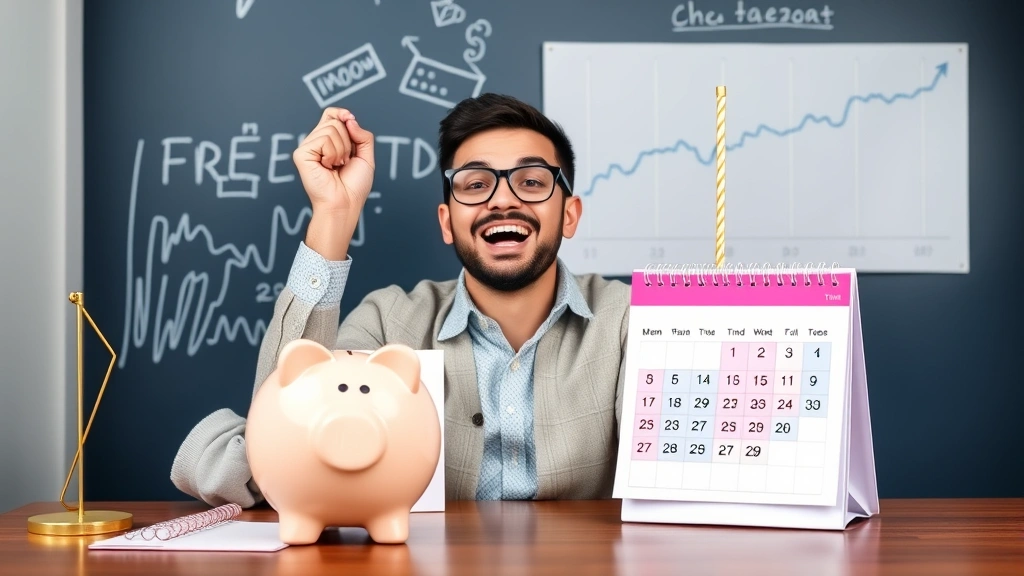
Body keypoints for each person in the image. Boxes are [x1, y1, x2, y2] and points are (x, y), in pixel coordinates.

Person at [170, 93, 630, 507]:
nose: (502, 200)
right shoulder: (389, 322)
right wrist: (334, 215)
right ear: (447, 222)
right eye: (475, 184)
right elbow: (281, 449)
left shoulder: (628, 319)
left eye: (531, 182)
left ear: (569, 215)